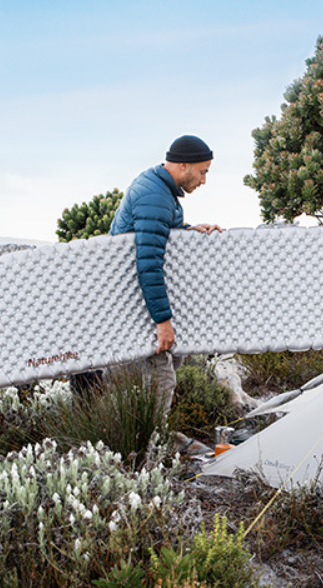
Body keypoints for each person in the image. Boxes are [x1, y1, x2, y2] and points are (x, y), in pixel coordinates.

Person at [110, 134, 223, 413]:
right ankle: (148, 450)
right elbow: (148, 262)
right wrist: (163, 321)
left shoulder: (159, 189)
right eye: (202, 171)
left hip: (137, 304)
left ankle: (140, 437)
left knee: (174, 360)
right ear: (184, 166)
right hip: (134, 306)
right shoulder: (155, 195)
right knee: (161, 380)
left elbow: (155, 234)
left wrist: (187, 230)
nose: (204, 180)